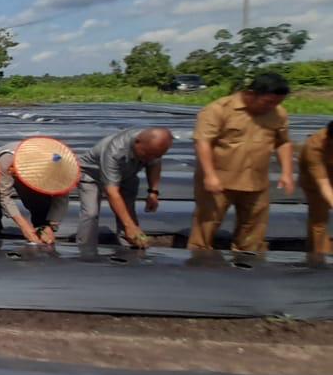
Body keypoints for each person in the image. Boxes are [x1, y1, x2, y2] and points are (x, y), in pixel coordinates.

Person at [190, 73, 295, 252]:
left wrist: (287, 172)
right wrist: (209, 175)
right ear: (251, 94)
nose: (272, 107)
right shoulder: (219, 109)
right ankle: (198, 264)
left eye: (277, 103)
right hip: (220, 180)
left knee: (254, 227)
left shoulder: (278, 114)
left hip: (256, 181)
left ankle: (246, 266)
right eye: (268, 102)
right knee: (206, 225)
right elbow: (203, 142)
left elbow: (283, 142)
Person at [76, 128, 173, 249]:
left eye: (155, 155)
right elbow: (112, 192)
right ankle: (85, 250)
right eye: (146, 155)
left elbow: (154, 164)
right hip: (92, 175)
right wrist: (129, 226)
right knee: (91, 213)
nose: (149, 159)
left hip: (126, 175)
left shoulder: (152, 146)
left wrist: (153, 192)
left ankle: (130, 248)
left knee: (128, 213)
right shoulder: (115, 151)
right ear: (137, 142)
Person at [0, 137, 81, 245]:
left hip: (29, 172)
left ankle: (41, 232)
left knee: (40, 205)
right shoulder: (8, 158)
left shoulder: (61, 166)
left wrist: (52, 225)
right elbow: (3, 196)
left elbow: (61, 196)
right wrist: (24, 226)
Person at [300, 121, 333, 254]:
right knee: (319, 220)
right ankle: (318, 256)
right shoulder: (314, 147)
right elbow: (323, 184)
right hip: (316, 181)